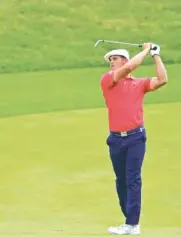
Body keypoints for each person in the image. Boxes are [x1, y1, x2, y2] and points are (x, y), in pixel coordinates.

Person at [100, 43, 168, 235]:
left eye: (115, 59)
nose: (111, 63)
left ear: (124, 60)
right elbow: (129, 68)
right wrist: (146, 50)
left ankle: (132, 224)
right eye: (110, 60)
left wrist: (155, 55)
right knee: (120, 181)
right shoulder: (107, 80)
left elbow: (162, 79)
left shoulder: (139, 84)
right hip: (115, 139)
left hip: (136, 138)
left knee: (132, 179)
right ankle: (129, 221)